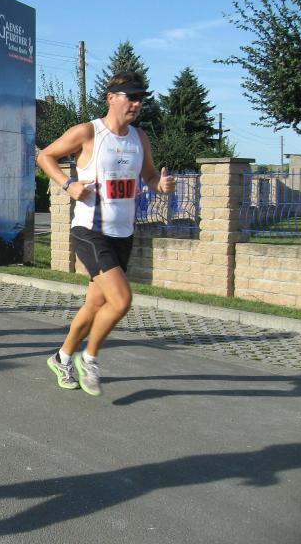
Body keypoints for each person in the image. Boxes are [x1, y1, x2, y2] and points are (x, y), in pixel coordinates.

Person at [37, 71, 175, 396]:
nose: (137, 103)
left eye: (141, 98)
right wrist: (68, 184)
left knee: (95, 304)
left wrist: (161, 185)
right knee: (121, 300)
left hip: (122, 234)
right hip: (90, 230)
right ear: (111, 97)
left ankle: (62, 357)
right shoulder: (89, 132)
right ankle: (89, 357)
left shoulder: (140, 138)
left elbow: (149, 176)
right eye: (131, 96)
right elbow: (45, 156)